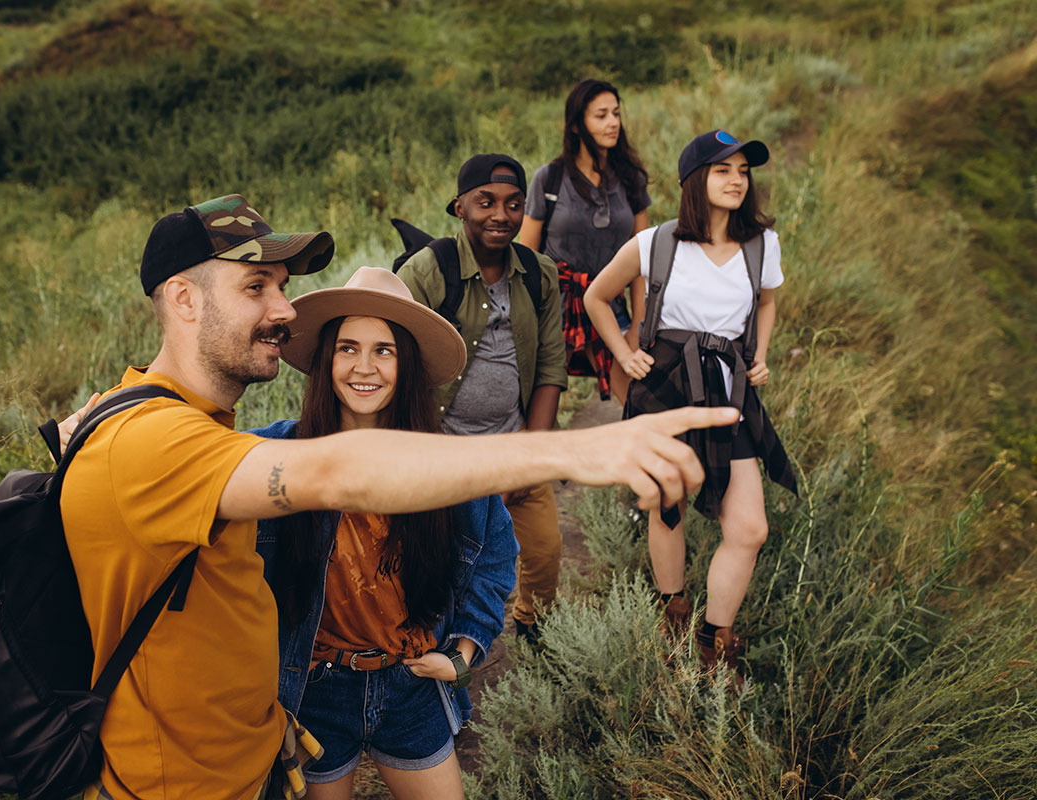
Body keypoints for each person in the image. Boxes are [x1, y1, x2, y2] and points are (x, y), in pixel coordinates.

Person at [58, 190, 737, 800]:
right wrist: (569, 450)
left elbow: (488, 553)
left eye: (282, 288)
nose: (284, 309)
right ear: (184, 299)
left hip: (288, 739)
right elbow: (337, 472)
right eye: (257, 286)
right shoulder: (157, 441)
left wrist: (461, 651)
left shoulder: (193, 431)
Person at [252, 267, 516, 799]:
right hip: (316, 686)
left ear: (406, 364)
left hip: (411, 684)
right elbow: (191, 458)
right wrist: (111, 420)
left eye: (384, 351)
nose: (364, 367)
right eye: (348, 348)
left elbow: (495, 556)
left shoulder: (447, 467)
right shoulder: (278, 457)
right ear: (327, 359)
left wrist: (463, 655)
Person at [583, 131, 797, 676]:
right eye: (723, 170)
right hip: (667, 385)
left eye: (743, 171)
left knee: (749, 528)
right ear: (695, 180)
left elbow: (766, 303)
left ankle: (711, 640)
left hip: (728, 390)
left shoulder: (762, 245)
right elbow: (596, 297)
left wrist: (760, 355)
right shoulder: (655, 243)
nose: (737, 180)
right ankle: (673, 612)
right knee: (667, 504)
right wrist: (624, 354)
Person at [395, 153, 565, 643]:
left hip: (514, 443)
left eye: (514, 204)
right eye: (486, 202)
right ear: (460, 207)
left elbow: (551, 364)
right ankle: (436, 653)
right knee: (442, 566)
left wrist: (528, 457)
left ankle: (532, 625)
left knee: (546, 553)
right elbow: (398, 372)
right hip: (444, 451)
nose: (501, 215)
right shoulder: (426, 272)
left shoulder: (538, 273)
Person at [518, 78, 652, 401]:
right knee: (536, 402)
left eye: (616, 114)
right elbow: (525, 256)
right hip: (554, 307)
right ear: (577, 125)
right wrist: (525, 321)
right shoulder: (550, 178)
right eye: (601, 115)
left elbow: (641, 260)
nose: (613, 123)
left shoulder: (630, 179)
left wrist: (638, 323)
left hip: (609, 304)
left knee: (636, 399)